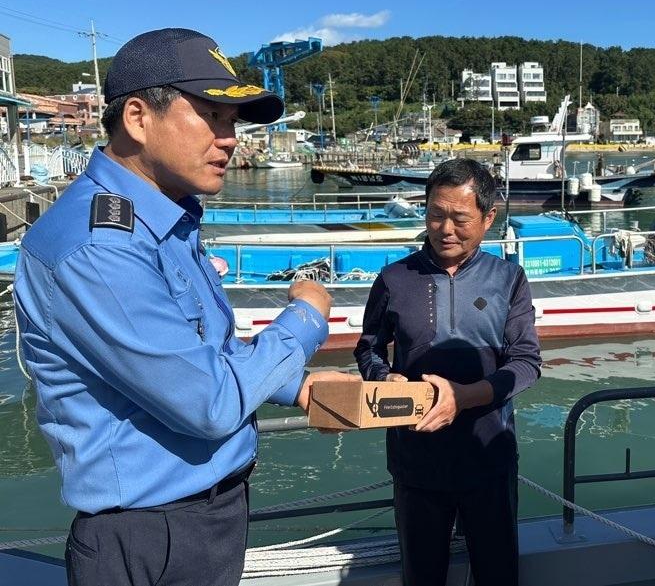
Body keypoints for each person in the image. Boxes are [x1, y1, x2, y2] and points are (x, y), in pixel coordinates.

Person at [14, 28, 359, 586]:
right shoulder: (98, 246)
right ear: (137, 117)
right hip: (149, 535)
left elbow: (204, 352)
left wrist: (291, 386)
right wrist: (306, 319)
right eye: (213, 117)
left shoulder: (167, 220)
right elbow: (208, 402)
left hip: (201, 518)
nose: (230, 139)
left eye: (234, 123)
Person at [354, 158, 541, 586]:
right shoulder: (393, 278)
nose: (445, 229)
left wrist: (465, 397)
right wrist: (383, 379)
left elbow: (526, 364)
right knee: (421, 576)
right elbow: (369, 347)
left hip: (488, 459)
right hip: (416, 463)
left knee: (497, 575)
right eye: (435, 214)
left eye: (459, 218)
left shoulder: (509, 278)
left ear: (488, 218)